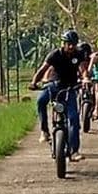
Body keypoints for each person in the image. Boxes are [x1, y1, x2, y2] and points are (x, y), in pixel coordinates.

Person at [30, 30, 89, 162]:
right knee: (40, 101)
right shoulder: (55, 54)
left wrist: (85, 78)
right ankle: (44, 131)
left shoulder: (78, 54)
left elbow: (83, 69)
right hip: (55, 86)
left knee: (73, 118)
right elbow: (42, 69)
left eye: (73, 44)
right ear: (63, 43)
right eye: (68, 44)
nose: (71, 47)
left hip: (71, 88)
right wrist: (34, 82)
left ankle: (74, 151)